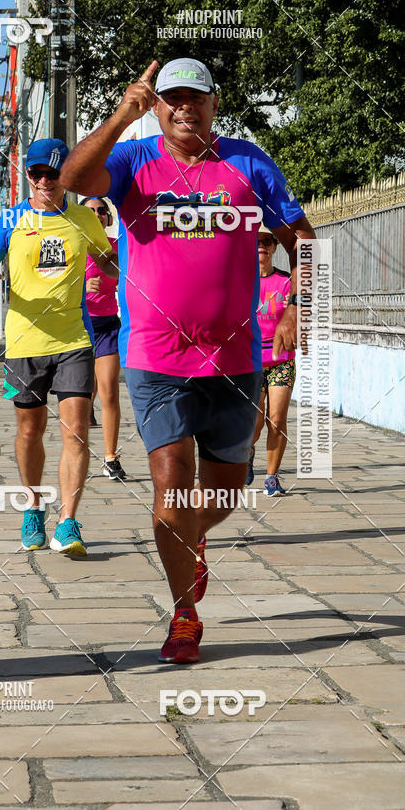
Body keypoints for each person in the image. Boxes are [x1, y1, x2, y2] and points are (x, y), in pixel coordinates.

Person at [60, 57, 315, 663]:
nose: (184, 108)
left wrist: (300, 307)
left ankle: (189, 545)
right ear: (158, 106)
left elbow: (302, 239)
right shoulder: (132, 162)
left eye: (195, 97)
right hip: (156, 357)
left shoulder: (248, 163)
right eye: (171, 98)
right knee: (171, 487)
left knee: (225, 493)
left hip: (237, 358)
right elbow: (73, 177)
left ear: (214, 103)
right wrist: (123, 113)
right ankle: (184, 613)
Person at [0, 138, 118, 557]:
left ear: (67, 176)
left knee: (75, 431)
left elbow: (107, 259)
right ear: (28, 176)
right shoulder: (9, 220)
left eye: (54, 173)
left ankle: (68, 522)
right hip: (23, 342)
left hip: (75, 338)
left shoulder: (84, 220)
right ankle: (33, 508)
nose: (45, 181)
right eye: (38, 173)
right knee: (29, 430)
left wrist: (122, 263)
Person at [246, 225, 296, 496]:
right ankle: (249, 450)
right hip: (251, 362)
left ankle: (272, 477)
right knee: (253, 421)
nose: (261, 246)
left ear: (275, 247)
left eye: (267, 242)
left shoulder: (287, 282)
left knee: (276, 419)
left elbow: (300, 314)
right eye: (256, 242)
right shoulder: (241, 281)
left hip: (281, 360)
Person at [80, 196, 126, 481]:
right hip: (77, 328)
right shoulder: (70, 249)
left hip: (108, 326)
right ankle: (78, 453)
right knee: (81, 396)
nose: (97, 215)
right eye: (91, 211)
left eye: (102, 211)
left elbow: (136, 274)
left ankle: (111, 457)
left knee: (109, 390)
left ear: (108, 219)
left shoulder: (118, 249)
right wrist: (82, 286)